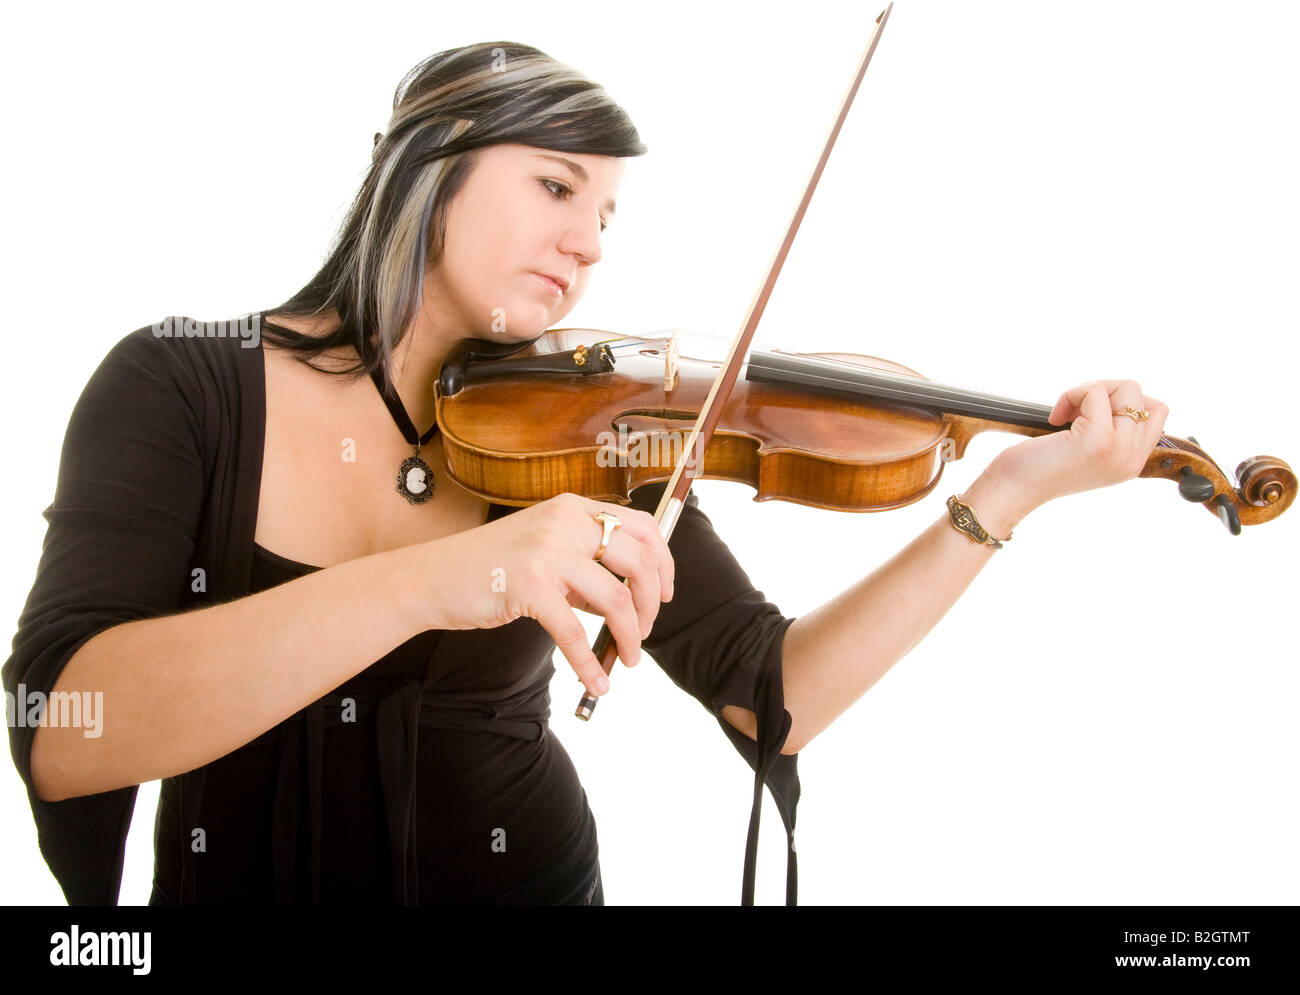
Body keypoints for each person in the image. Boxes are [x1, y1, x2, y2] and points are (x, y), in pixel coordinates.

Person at [2, 41, 1168, 906]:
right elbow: (63, 723)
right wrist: (444, 576)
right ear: (423, 169)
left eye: (608, 215)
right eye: (557, 187)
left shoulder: (581, 427)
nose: (591, 244)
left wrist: (1003, 493)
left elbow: (772, 690)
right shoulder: (182, 383)